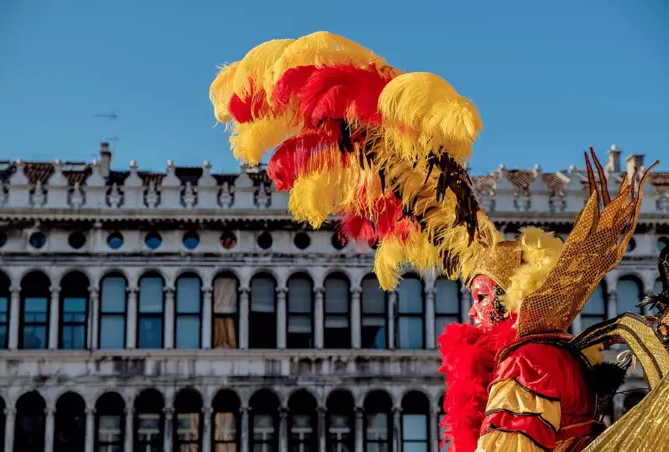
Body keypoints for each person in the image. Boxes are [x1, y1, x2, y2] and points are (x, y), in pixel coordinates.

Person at [208, 32, 662, 451]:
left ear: (509, 302)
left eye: (481, 296)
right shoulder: (563, 357)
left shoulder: (529, 362)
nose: (471, 310)